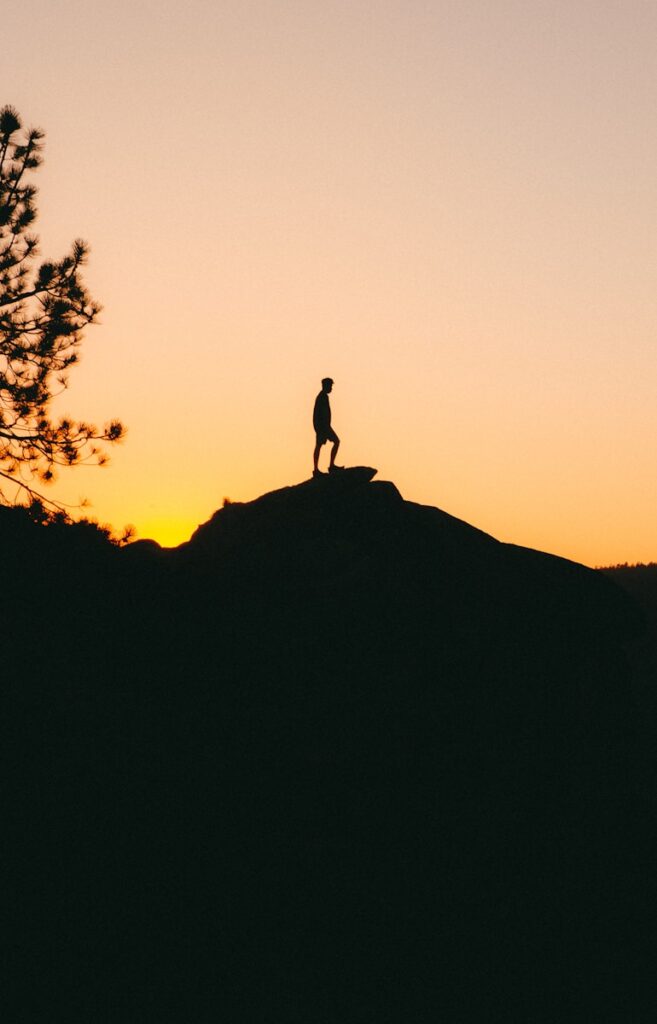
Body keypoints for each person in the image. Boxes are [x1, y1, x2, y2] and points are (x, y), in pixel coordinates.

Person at [313, 377, 342, 476]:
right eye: (330, 386)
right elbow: (318, 414)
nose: (331, 388)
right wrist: (320, 428)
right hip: (323, 426)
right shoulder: (322, 397)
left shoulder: (323, 396)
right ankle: (319, 469)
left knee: (322, 445)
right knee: (324, 444)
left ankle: (328, 466)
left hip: (324, 426)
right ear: (326, 386)